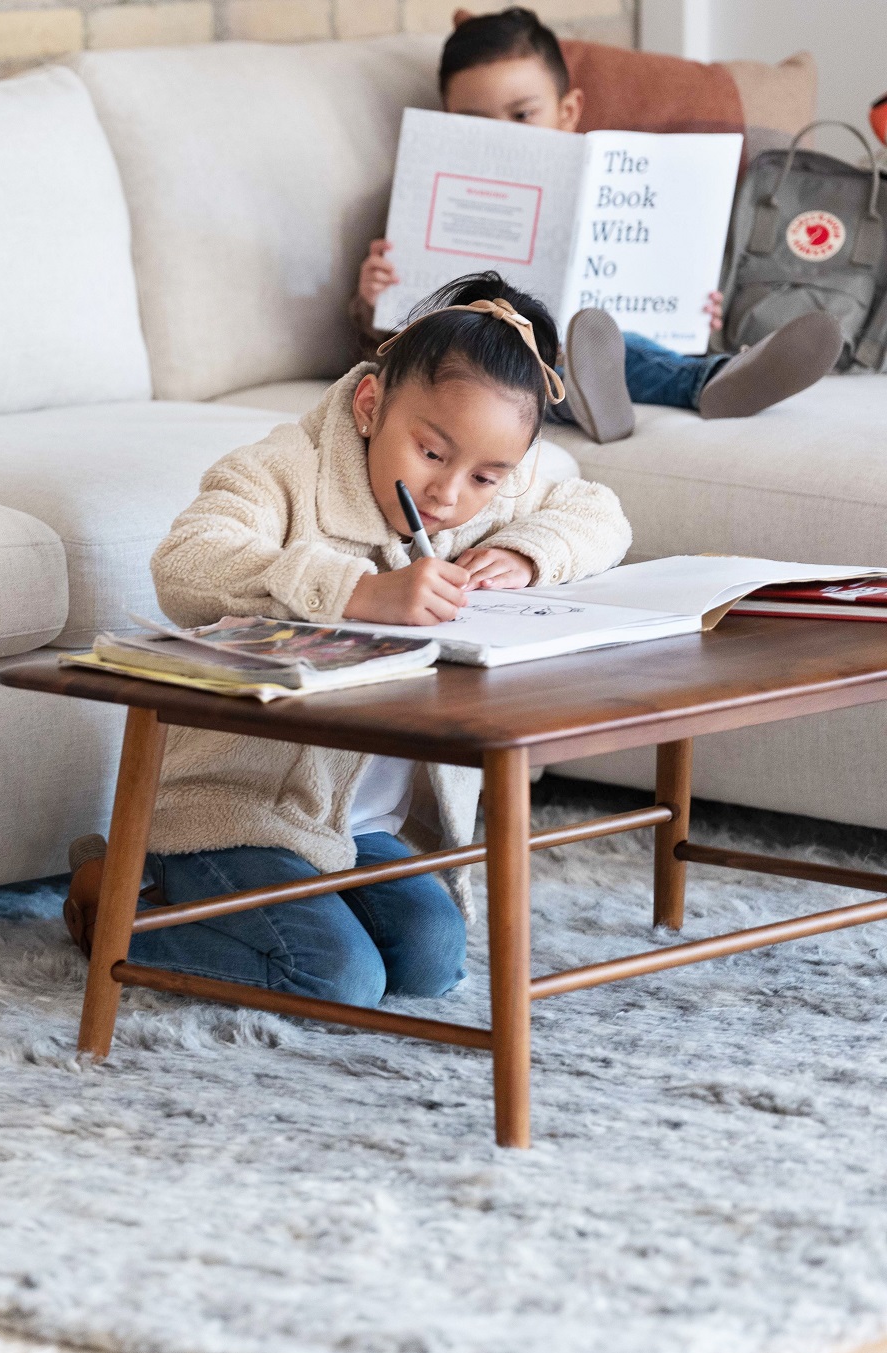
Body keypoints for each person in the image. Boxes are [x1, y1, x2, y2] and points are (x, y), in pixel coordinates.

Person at [94, 271, 631, 1011]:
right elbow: (185, 562)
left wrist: (529, 551)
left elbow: (599, 513)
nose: (449, 495)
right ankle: (115, 904)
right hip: (235, 813)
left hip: (359, 826)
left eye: (486, 474)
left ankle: (261, 910)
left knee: (432, 961)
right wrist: (354, 591)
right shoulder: (282, 470)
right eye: (432, 453)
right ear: (371, 403)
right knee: (339, 979)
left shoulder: (480, 499)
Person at [353, 6, 845, 444]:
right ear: (448, 121)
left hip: (585, 342)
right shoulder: (423, 188)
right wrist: (372, 300)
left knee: (613, 343)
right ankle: (591, 393)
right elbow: (388, 343)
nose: (503, 134)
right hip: (480, 356)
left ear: (568, 112)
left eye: (522, 114)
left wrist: (690, 315)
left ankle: (715, 376)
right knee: (520, 367)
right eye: (476, 119)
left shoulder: (603, 178)